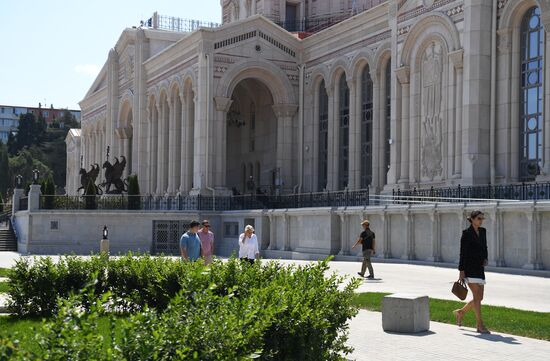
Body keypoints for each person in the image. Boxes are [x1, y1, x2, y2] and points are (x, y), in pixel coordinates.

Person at [453, 210, 490, 334]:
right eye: (479, 218)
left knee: (480, 297)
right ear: (472, 219)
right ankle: (479, 325)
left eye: (482, 218)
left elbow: (485, 247)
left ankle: (460, 312)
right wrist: (461, 270)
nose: (481, 220)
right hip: (469, 268)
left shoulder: (483, 231)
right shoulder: (466, 233)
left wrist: (485, 258)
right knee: (477, 297)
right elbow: (462, 253)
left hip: (479, 268)